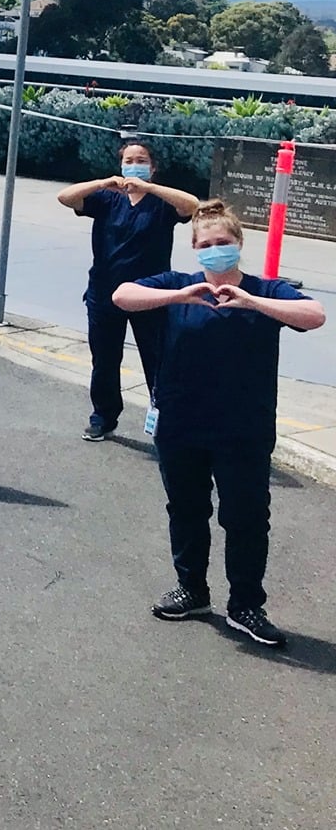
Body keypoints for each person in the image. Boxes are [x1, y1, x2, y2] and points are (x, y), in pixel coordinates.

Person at [114, 201, 324, 648]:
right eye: (206, 245)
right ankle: (192, 590)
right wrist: (179, 296)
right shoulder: (177, 286)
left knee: (246, 517)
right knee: (186, 509)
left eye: (222, 243)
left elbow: (315, 315)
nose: (215, 251)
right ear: (194, 249)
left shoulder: (266, 291)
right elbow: (122, 295)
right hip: (181, 422)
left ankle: (246, 604)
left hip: (242, 428)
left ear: (238, 243)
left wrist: (250, 300)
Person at [57, 141, 197, 441]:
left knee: (157, 360)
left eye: (142, 160)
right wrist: (104, 182)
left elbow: (192, 205)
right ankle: (104, 416)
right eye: (129, 160)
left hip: (151, 295)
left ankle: (165, 420)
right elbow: (65, 197)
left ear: (152, 167)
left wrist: (151, 188)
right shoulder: (107, 198)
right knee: (105, 359)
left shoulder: (161, 203)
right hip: (104, 292)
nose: (135, 165)